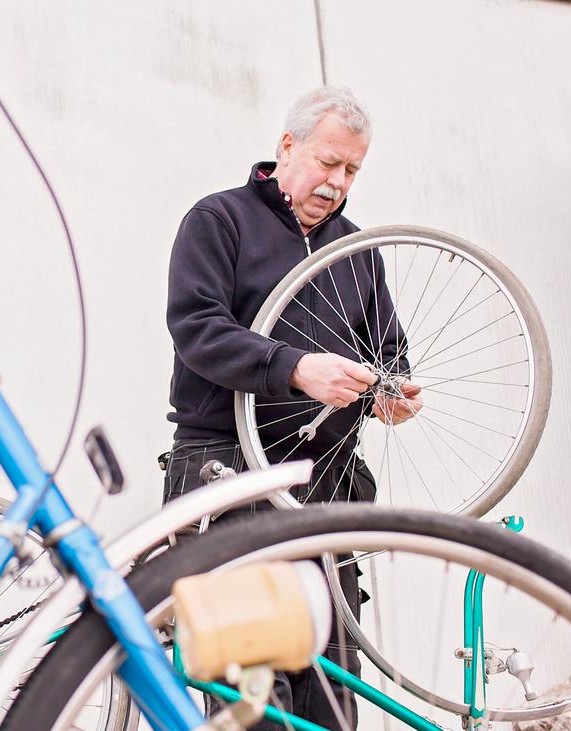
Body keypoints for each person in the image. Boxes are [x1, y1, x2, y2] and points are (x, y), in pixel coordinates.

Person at [161, 85, 422, 729]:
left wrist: (392, 393)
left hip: (325, 484)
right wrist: (295, 368)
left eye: (353, 171)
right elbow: (197, 329)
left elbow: (387, 349)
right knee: (251, 697)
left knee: (330, 691)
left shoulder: (357, 248)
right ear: (286, 146)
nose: (338, 182)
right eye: (329, 163)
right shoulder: (218, 221)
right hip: (228, 475)